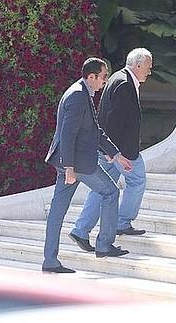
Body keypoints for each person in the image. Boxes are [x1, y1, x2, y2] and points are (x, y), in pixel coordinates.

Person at [42, 58, 133, 274]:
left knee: (57, 211)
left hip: (72, 162)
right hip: (78, 163)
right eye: (103, 77)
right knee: (110, 192)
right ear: (91, 77)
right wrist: (70, 167)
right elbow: (67, 133)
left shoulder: (82, 92)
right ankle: (104, 245)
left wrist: (116, 155)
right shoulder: (77, 96)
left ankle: (50, 261)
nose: (105, 81)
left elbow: (94, 130)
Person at [69, 48, 152, 252]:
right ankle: (121, 222)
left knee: (103, 189)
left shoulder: (119, 78)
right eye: (148, 67)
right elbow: (114, 120)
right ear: (138, 65)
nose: (150, 72)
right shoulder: (124, 84)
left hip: (112, 148)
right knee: (137, 179)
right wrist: (114, 153)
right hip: (120, 150)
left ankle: (81, 229)